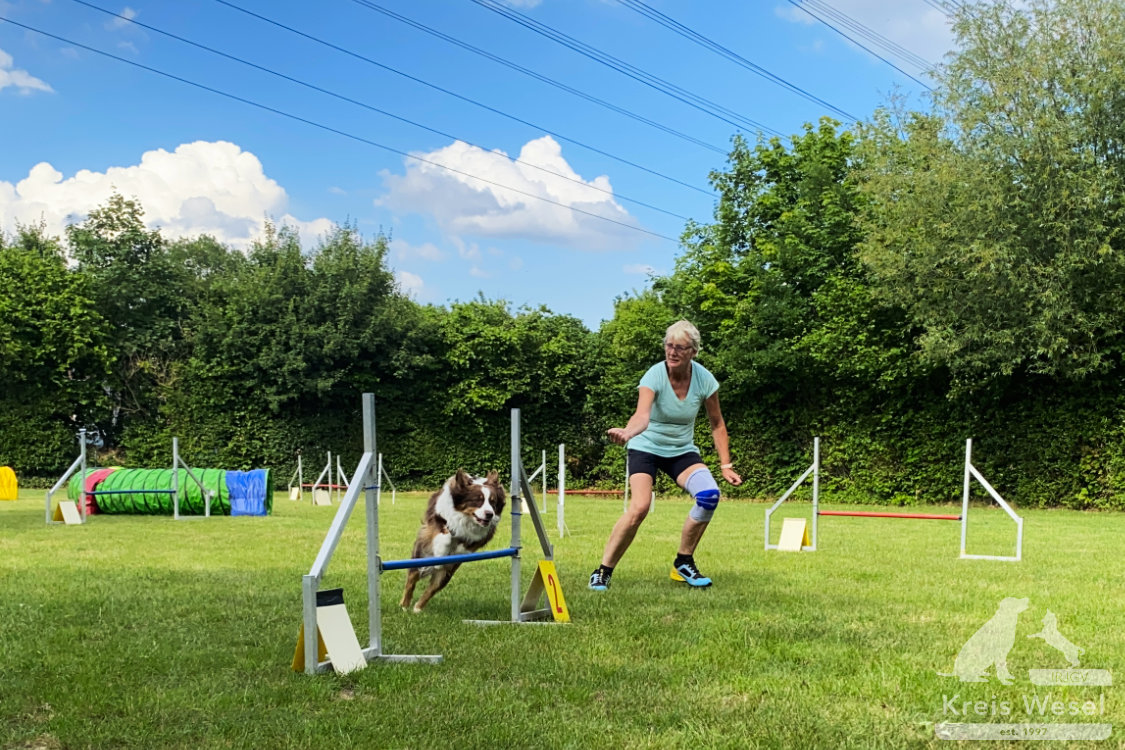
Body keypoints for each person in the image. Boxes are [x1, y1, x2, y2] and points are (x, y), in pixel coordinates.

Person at [589, 320, 742, 591]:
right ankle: (603, 571)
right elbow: (642, 416)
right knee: (639, 507)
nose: (672, 352)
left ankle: (683, 562)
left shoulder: (705, 380)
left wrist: (725, 464)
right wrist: (627, 432)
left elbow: (717, 423)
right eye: (668, 346)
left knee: (709, 495)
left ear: (693, 351)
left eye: (679, 348)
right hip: (645, 446)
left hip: (681, 451)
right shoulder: (654, 375)